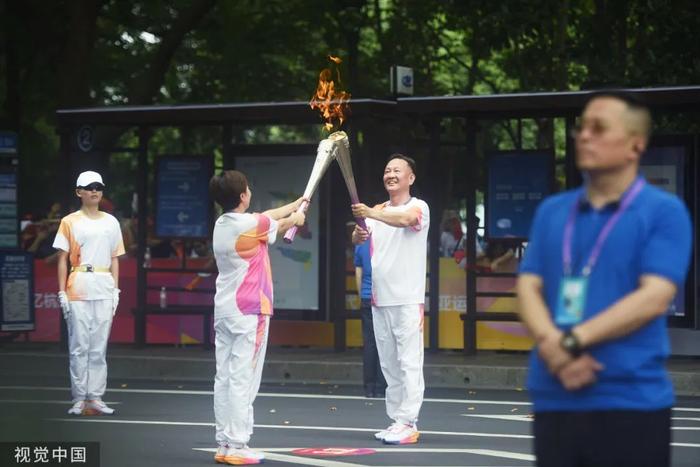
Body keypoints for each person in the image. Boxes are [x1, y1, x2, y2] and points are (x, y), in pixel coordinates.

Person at [516, 91, 692, 467]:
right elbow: (528, 286)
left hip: (630, 402)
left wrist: (571, 341)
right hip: (553, 396)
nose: (584, 136)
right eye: (582, 127)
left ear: (635, 144)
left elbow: (655, 296)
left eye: (599, 128)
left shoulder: (664, 212)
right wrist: (556, 352)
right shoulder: (552, 211)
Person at [209, 170, 306, 465]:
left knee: (224, 377)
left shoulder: (224, 223)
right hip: (250, 310)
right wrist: (297, 217)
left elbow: (265, 216)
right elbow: (280, 222)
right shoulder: (252, 224)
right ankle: (238, 443)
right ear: (243, 196)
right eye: (248, 188)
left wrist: (295, 203)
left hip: (225, 310)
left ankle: (225, 442)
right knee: (243, 378)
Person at [351, 154, 430, 445]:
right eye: (387, 170)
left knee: (409, 361)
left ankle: (409, 421)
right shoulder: (378, 210)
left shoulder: (418, 207)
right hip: (379, 297)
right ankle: (397, 419)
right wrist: (357, 234)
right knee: (389, 363)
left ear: (410, 178)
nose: (390, 174)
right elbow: (359, 235)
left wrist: (371, 214)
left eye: (397, 170)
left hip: (407, 298)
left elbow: (406, 220)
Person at [53, 171, 125, 416]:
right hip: (79, 283)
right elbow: (62, 259)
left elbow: (115, 257)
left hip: (104, 284)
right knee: (79, 345)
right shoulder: (69, 221)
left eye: (98, 187)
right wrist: (62, 292)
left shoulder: (111, 222)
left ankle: (95, 396)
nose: (94, 191)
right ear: (79, 192)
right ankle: (79, 397)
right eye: (89, 187)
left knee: (98, 346)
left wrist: (116, 289)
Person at [354, 239, 386, 398]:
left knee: (369, 343)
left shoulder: (361, 243)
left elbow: (358, 274)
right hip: (385, 297)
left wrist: (362, 295)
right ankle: (382, 387)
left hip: (367, 296)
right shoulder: (386, 242)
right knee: (384, 342)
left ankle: (369, 387)